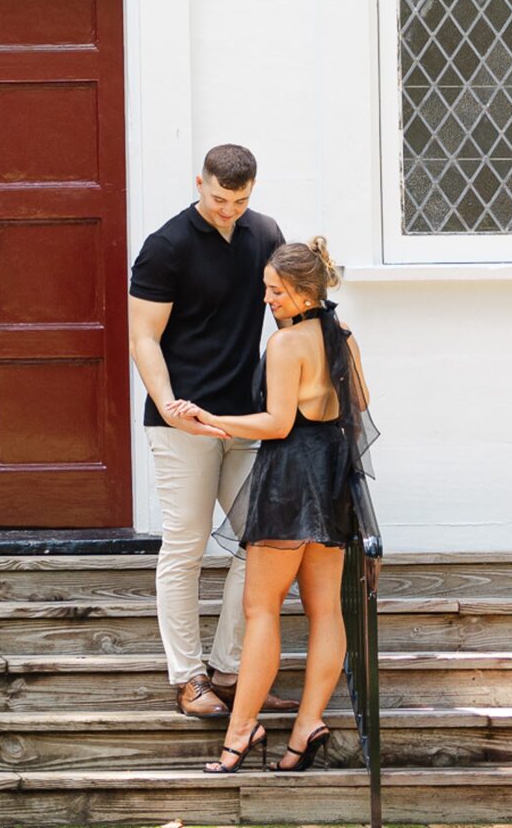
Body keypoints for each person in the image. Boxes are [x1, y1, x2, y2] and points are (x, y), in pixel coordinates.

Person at [174, 236, 372, 779]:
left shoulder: (286, 346)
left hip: (289, 476)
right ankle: (308, 724)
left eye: (274, 291)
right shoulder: (343, 335)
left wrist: (211, 421)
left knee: (261, 609)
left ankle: (241, 732)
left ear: (303, 289)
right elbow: (361, 402)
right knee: (325, 609)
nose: (267, 300)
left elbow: (278, 424)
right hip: (332, 475)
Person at [127, 144, 286, 718]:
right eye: (219, 198)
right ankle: (189, 677)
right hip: (184, 421)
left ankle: (232, 667)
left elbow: (289, 313)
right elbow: (143, 336)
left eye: (240, 200)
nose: (229, 210)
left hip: (245, 418)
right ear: (200, 183)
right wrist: (167, 404)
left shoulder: (264, 233)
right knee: (187, 544)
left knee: (263, 540)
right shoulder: (166, 246)